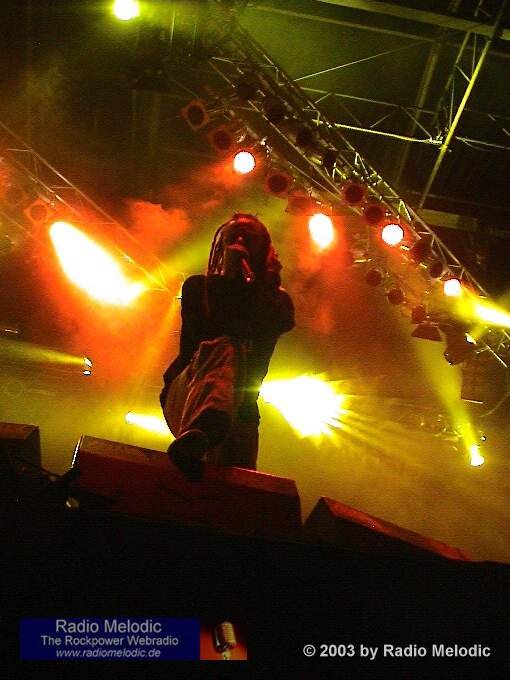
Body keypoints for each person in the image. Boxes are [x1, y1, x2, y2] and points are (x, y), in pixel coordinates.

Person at [160, 213, 294, 478]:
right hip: (186, 394)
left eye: (248, 237)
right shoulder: (198, 288)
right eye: (232, 236)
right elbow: (210, 334)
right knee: (224, 347)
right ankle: (203, 431)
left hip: (240, 410)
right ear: (219, 246)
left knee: (234, 490)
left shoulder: (278, 303)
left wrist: (240, 283)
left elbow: (252, 328)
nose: (239, 241)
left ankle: (199, 441)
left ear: (264, 250)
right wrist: (227, 277)